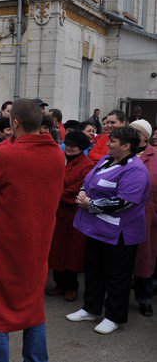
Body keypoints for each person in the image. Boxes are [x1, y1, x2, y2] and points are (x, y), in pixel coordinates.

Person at [0, 98, 65, 361]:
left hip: (4, 246)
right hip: (38, 244)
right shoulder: (57, 154)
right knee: (33, 309)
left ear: (14, 123)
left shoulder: (6, 154)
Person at [67, 126, 149, 334]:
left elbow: (125, 201)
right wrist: (83, 192)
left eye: (112, 141)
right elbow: (89, 181)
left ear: (126, 146)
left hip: (120, 233)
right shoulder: (105, 160)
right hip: (96, 228)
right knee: (94, 271)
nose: (107, 144)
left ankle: (114, 316)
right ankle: (90, 309)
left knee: (117, 276)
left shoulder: (136, 170)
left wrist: (90, 204)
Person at [47, 131, 94, 302]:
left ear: (82, 147)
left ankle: (72, 286)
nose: (70, 147)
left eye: (74, 145)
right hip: (58, 212)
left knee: (72, 252)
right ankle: (60, 284)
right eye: (68, 144)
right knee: (57, 250)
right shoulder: (61, 159)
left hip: (73, 214)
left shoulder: (87, 165)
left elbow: (77, 189)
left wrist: (54, 193)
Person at [131, 120, 157, 317]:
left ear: (144, 137)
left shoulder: (155, 156)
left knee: (145, 258)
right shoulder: (122, 153)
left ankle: (145, 298)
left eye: (134, 131)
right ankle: (117, 297)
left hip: (148, 214)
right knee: (122, 259)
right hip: (123, 215)